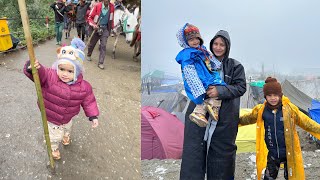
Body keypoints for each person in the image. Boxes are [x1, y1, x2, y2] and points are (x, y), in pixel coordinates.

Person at [180, 30, 246, 179]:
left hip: (223, 121)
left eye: (222, 44)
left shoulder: (235, 66)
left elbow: (241, 87)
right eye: (215, 44)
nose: (218, 47)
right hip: (199, 116)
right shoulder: (202, 60)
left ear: (227, 47)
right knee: (194, 157)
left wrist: (219, 91)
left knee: (221, 161)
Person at [23, 38, 99, 160]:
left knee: (67, 128)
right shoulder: (51, 76)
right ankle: (53, 148)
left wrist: (93, 116)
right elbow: (42, 73)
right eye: (61, 69)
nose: (64, 74)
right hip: (52, 117)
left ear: (77, 72)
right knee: (53, 137)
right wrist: (33, 68)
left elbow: (89, 101)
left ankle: (66, 135)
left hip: (68, 117)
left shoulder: (84, 87)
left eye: (70, 71)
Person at [239, 77, 320, 180]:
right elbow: (248, 118)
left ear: (280, 95)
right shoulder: (261, 110)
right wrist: (235, 121)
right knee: (268, 178)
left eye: (275, 95)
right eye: (269, 95)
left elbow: (307, 123)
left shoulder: (290, 109)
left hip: (289, 154)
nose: (273, 98)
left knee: (291, 178)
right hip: (272, 154)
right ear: (265, 96)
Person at [175, 23, 226, 127]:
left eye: (197, 38)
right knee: (205, 93)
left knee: (219, 88)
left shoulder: (201, 49)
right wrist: (196, 85)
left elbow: (210, 58)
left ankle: (210, 108)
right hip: (200, 77)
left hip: (207, 74)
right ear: (186, 41)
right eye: (191, 39)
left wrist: (216, 64)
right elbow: (188, 71)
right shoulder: (187, 54)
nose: (195, 41)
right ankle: (200, 112)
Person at [86, 0, 115, 69]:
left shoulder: (112, 7)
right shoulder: (97, 6)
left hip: (105, 29)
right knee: (92, 44)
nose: (106, 1)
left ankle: (101, 62)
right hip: (96, 28)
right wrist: (93, 25)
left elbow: (111, 19)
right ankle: (89, 54)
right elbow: (89, 18)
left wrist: (112, 28)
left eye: (108, 0)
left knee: (103, 46)